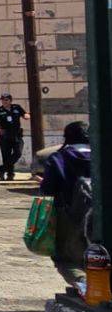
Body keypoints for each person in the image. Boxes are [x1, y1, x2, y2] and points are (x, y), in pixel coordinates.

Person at [39, 121, 93, 287]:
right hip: (100, 215)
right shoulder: (102, 154)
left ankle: (84, 286)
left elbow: (48, 189)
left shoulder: (59, 157)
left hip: (68, 216)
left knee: (66, 259)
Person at [0, 94, 27, 180]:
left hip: (17, 135)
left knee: (18, 153)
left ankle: (2, 169)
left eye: (6, 100)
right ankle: (10, 175)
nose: (4, 102)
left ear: (10, 100)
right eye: (3, 100)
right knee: (6, 156)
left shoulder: (17, 108)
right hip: (4, 136)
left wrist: (26, 116)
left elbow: (24, 114)